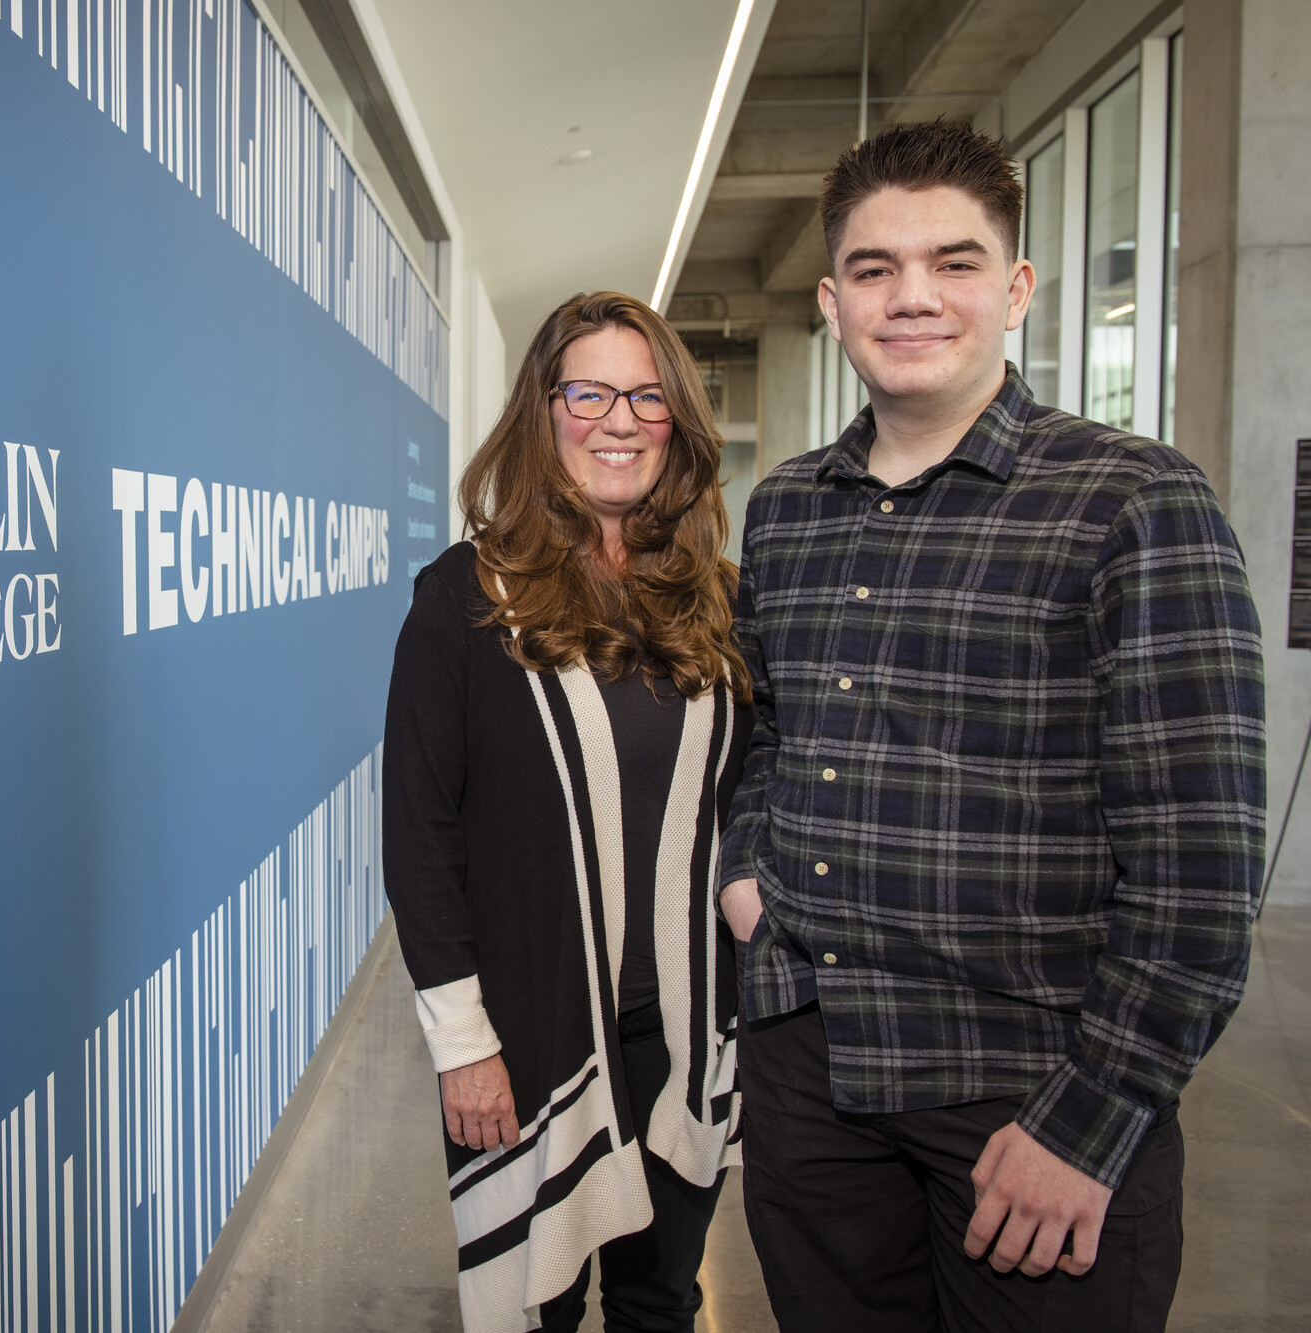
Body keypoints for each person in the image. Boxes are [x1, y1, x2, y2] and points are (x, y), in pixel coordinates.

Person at [718, 120, 1266, 1333]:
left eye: (952, 263)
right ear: (829, 300)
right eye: (874, 269)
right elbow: (761, 730)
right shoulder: (784, 513)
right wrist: (745, 874)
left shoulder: (1130, 498)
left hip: (1025, 1090)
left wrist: (1093, 1116)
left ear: (1013, 289)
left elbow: (1200, 867)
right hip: (812, 1076)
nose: (912, 296)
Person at [383, 290, 752, 1333]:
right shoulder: (463, 598)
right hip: (529, 1034)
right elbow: (419, 835)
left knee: (658, 1302)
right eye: (587, 391)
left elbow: (752, 794)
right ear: (541, 412)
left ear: (675, 420)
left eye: (646, 396)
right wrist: (462, 1043)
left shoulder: (719, 603)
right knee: (530, 1307)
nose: (618, 420)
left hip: (683, 1034)